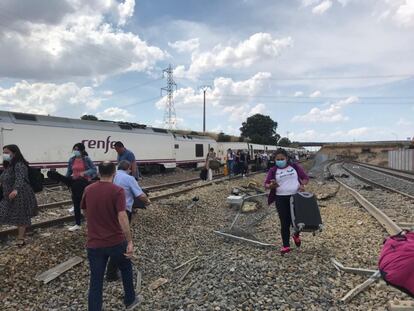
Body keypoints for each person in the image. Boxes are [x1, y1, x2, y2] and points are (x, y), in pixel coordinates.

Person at [81, 161, 141, 310]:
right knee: (126, 268)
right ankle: (130, 300)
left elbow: (84, 211)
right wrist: (129, 241)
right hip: (115, 241)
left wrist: (94, 224)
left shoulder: (88, 189)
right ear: (114, 173)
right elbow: (122, 216)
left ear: (99, 173)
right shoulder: (117, 191)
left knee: (96, 279)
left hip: (94, 243)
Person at [106, 160, 150, 281]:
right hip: (123, 211)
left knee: (113, 237)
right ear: (129, 168)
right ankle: (112, 273)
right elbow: (140, 195)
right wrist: (147, 201)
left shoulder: (112, 176)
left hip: (110, 211)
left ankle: (112, 267)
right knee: (121, 240)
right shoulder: (129, 178)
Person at [264, 148, 309, 255]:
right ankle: (286, 245)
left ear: (286, 158)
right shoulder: (273, 170)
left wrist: (303, 184)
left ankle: (296, 235)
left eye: (282, 159)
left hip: (295, 197)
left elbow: (305, 178)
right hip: (280, 199)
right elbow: (266, 184)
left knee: (297, 220)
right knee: (285, 222)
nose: (280, 161)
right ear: (274, 160)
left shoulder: (294, 167)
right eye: (277, 159)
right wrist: (271, 185)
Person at [0, 145, 38, 246]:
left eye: (7, 152)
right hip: (8, 195)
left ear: (14, 153)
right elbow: (4, 177)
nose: (5, 155)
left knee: (21, 216)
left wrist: (16, 190)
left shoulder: (19, 164)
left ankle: (21, 239)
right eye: (4, 153)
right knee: (3, 212)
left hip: (21, 194)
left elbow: (20, 178)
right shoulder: (9, 165)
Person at [66, 143, 97, 231]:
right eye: (74, 149)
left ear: (82, 150)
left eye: (77, 149)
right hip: (75, 184)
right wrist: (65, 180)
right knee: (76, 203)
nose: (75, 151)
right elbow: (69, 171)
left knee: (86, 204)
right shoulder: (71, 160)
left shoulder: (86, 159)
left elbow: (94, 169)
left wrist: (84, 173)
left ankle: (90, 222)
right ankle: (77, 223)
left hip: (84, 183)